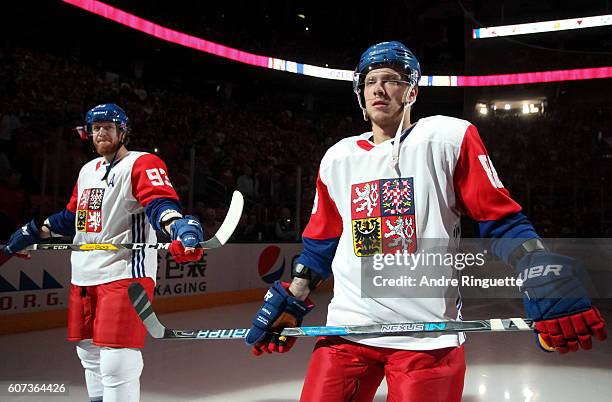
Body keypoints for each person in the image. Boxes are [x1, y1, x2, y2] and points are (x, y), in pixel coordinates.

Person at [245, 42, 608, 402]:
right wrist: (293, 297)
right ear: (360, 94)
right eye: (370, 81)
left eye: (391, 80)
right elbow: (320, 245)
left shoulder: (450, 137)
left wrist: (537, 262)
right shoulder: (337, 158)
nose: (379, 89)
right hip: (347, 331)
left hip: (428, 338)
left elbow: (500, 219)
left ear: (412, 91)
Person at [2, 104, 205, 402]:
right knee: (89, 354)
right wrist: (30, 232)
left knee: (117, 361)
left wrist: (179, 229)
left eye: (108, 126)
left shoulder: (142, 163)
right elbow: (72, 218)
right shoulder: (88, 170)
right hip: (84, 274)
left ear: (123, 131)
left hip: (125, 274)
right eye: (95, 128)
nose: (101, 132)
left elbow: (159, 204)